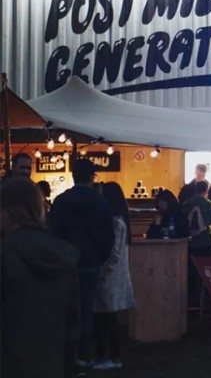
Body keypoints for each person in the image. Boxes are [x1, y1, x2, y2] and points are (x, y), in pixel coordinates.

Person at [1, 177, 81, 378]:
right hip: (51, 363)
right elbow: (73, 324)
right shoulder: (63, 255)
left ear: (8, 211)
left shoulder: (6, 252)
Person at [49, 158, 115, 370]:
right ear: (92, 177)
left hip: (65, 263)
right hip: (91, 263)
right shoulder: (101, 202)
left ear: (72, 175)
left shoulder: (61, 201)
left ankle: (66, 355)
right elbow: (108, 236)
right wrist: (99, 257)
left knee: (64, 310)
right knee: (86, 310)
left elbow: (53, 232)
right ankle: (83, 355)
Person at [93, 182, 135, 371]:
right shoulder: (119, 221)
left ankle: (111, 357)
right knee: (106, 318)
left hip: (110, 276)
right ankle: (104, 356)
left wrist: (102, 273)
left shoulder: (116, 223)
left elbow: (114, 253)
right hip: (113, 275)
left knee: (108, 319)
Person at [183, 179, 211, 257]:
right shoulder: (210, 204)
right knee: (206, 263)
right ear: (207, 190)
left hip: (191, 240)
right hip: (206, 239)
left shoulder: (186, 204)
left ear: (195, 189)